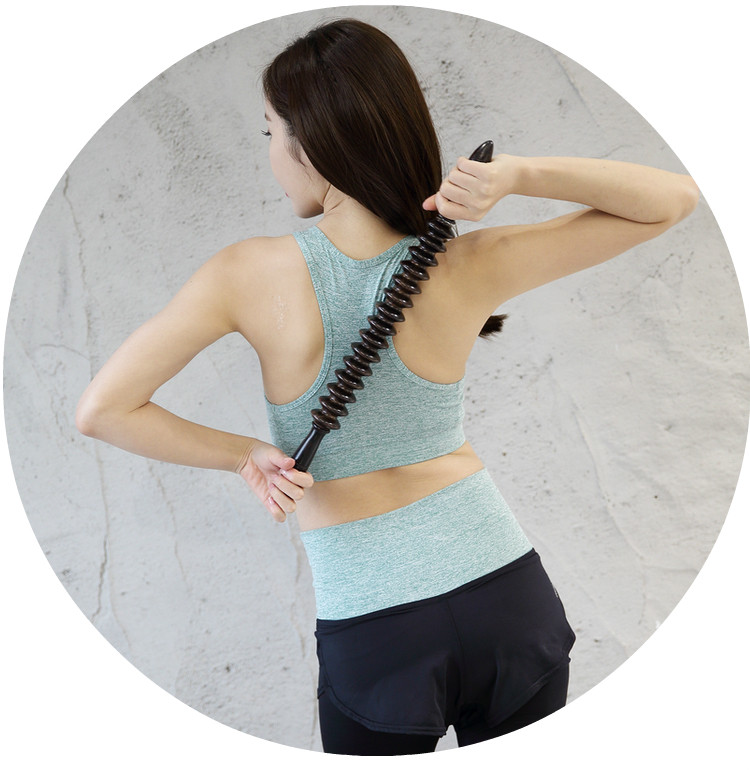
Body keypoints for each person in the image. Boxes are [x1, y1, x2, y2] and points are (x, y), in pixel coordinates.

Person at [75, 18, 699, 755]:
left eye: (270, 132)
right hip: (506, 593)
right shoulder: (468, 265)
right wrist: (521, 176)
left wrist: (244, 454)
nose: (270, 152)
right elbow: (673, 199)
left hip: (375, 624)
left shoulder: (245, 274)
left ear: (313, 142)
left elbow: (103, 410)